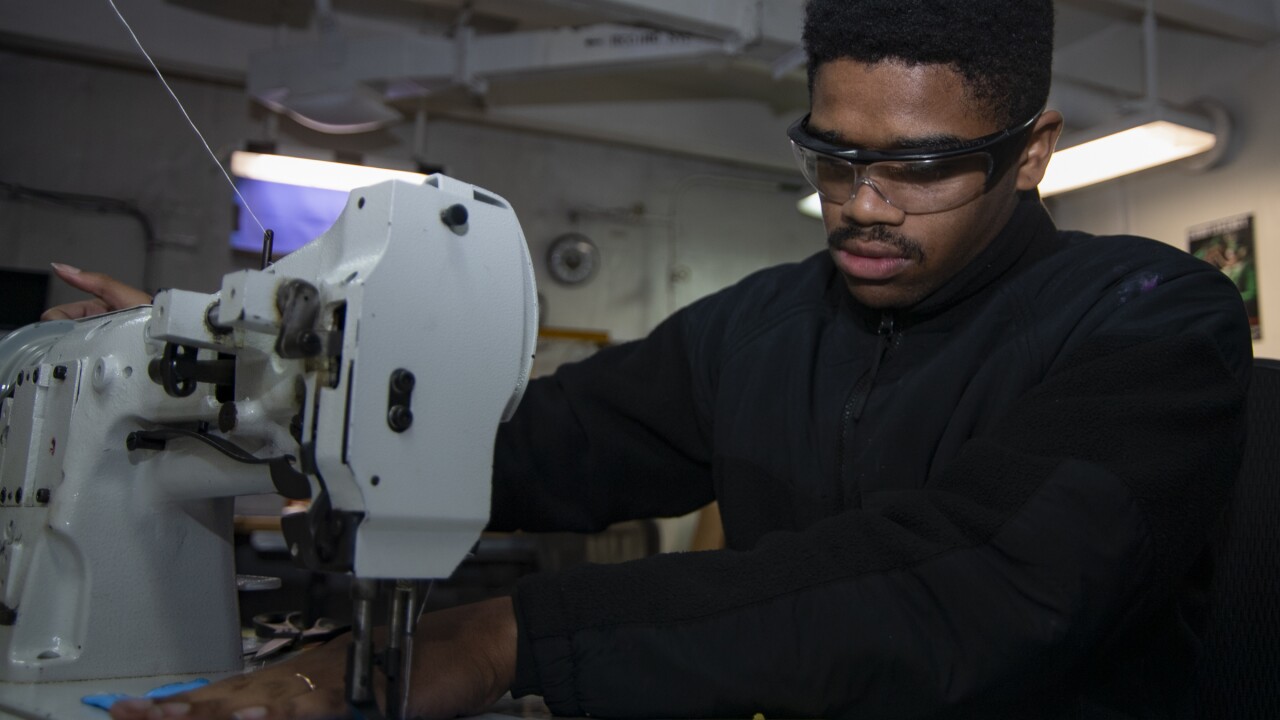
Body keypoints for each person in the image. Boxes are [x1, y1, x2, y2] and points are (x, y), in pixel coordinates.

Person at [50, 0, 1249, 717]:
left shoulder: (1152, 321)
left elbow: (960, 583)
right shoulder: (763, 326)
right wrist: (240, 389)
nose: (861, 205)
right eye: (831, 157)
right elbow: (538, 444)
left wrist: (500, 638)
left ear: (1030, 150)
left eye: (918, 166)